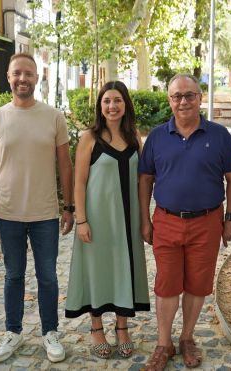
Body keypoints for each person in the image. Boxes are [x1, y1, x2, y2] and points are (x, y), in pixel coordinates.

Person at [139, 74, 231, 370]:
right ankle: (163, 343)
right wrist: (145, 220)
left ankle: (186, 338)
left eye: (189, 95)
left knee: (197, 285)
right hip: (167, 221)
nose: (183, 101)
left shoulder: (219, 134)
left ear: (200, 97)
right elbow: (145, 179)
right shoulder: (157, 136)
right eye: (176, 96)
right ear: (169, 100)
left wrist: (230, 218)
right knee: (166, 285)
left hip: (208, 222)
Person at [0, 53, 74, 363]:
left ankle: (50, 332)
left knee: (47, 276)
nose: (23, 79)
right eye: (17, 73)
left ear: (37, 78)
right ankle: (13, 332)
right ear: (8, 77)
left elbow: (65, 165)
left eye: (29, 74)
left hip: (45, 214)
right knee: (13, 276)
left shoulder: (53, 117)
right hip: (8, 214)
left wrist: (69, 206)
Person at [65, 81, 150, 359]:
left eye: (117, 101)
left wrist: (144, 216)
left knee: (125, 266)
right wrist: (81, 220)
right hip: (97, 218)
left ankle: (123, 327)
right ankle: (97, 327)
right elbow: (79, 182)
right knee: (97, 269)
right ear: (100, 106)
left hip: (128, 217)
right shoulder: (89, 138)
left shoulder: (134, 137)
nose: (112, 106)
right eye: (106, 101)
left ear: (125, 104)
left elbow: (142, 180)